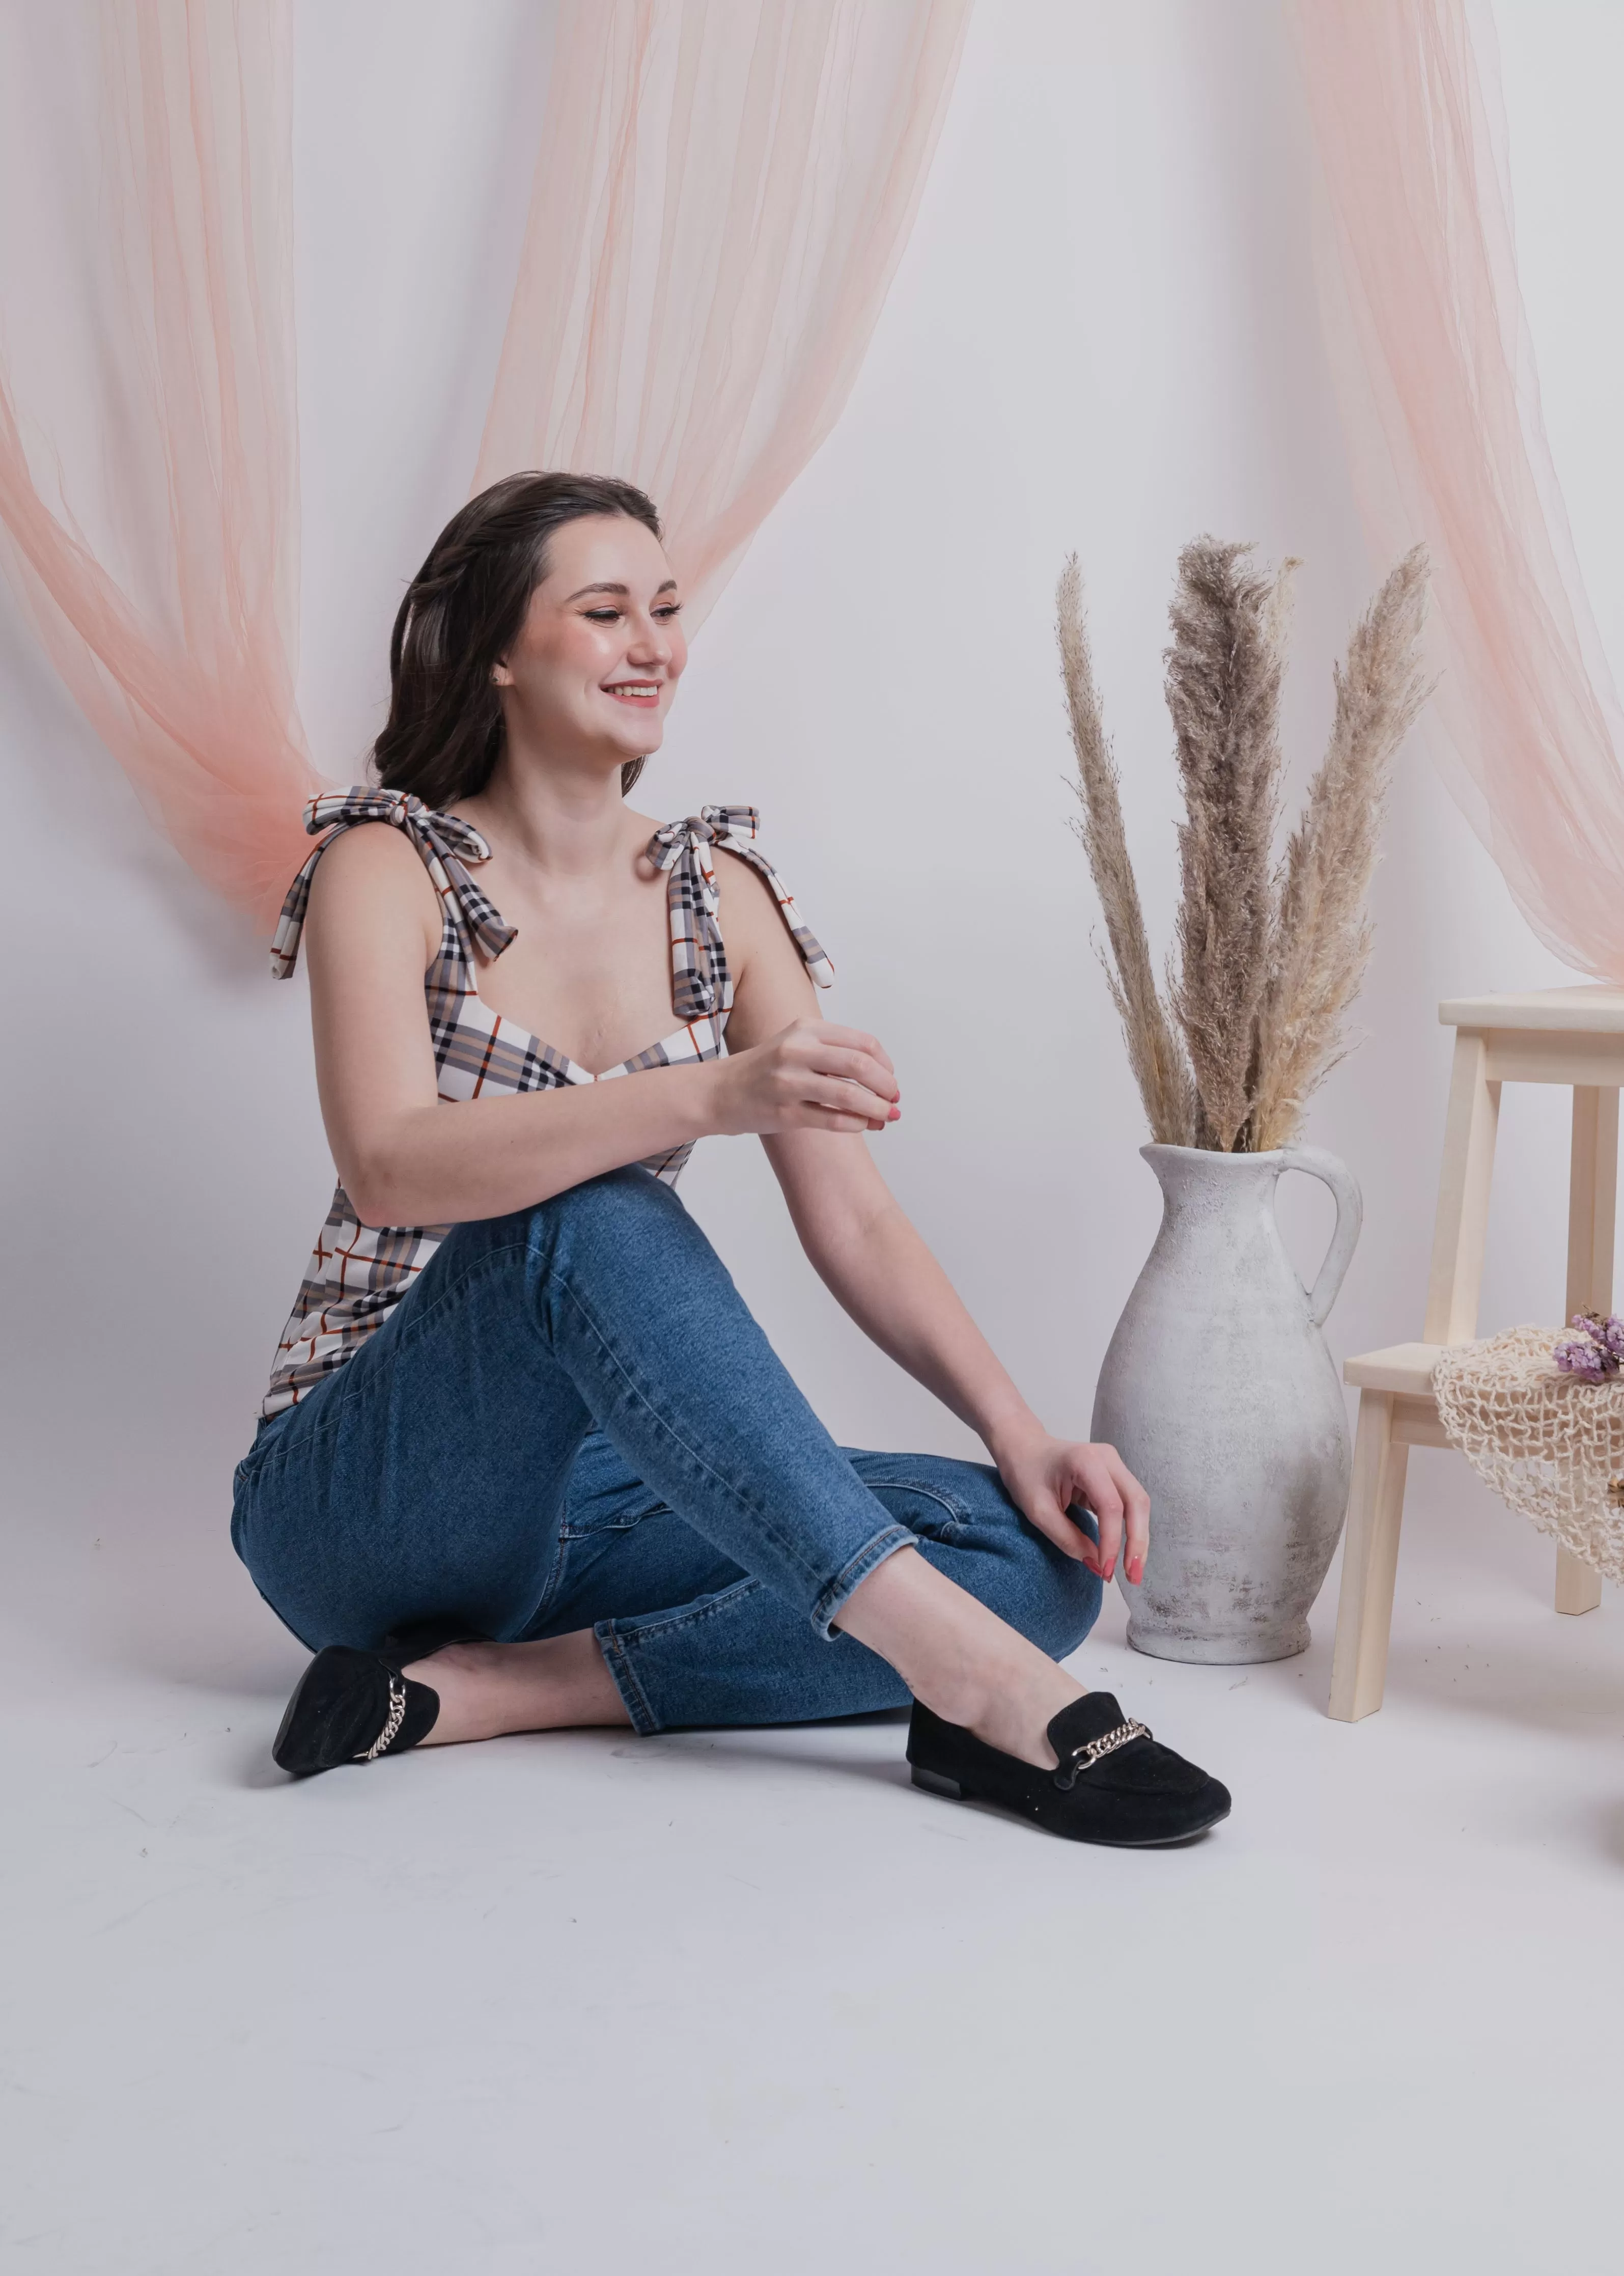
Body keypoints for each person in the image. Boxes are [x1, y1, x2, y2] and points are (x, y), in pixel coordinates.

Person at [231, 471, 1229, 1847]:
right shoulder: (388, 865)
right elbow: (397, 1164)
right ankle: (974, 1682)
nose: (652, 643)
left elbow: (856, 1221)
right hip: (366, 1501)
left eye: (666, 609)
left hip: (596, 1498)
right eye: (603, 611)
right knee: (587, 1211)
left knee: (1026, 1560)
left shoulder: (720, 891)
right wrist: (710, 1092)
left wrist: (1020, 1429)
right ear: (501, 653)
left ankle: (498, 1692)